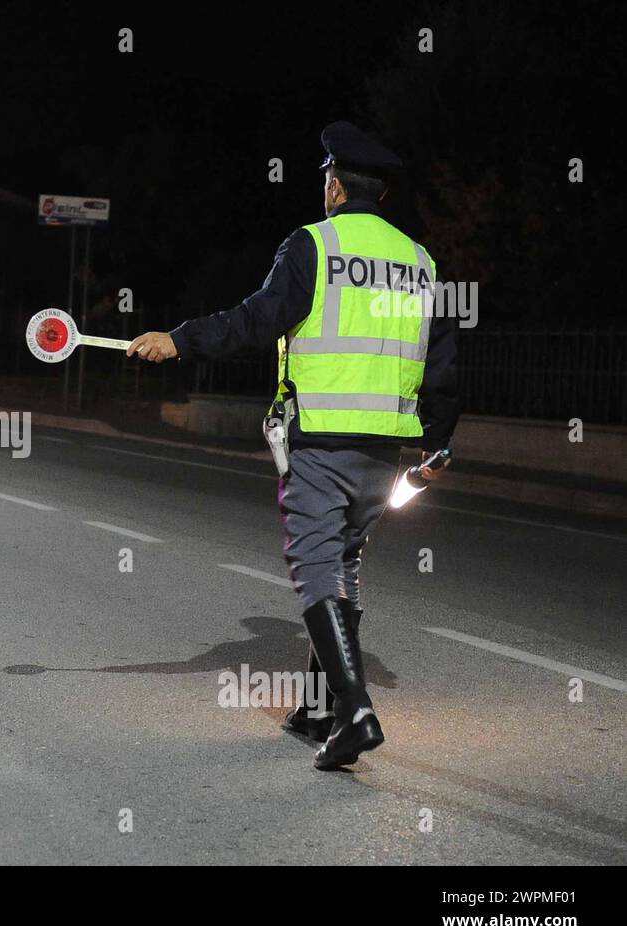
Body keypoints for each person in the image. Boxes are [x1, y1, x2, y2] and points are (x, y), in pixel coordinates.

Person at [128, 121, 459, 770]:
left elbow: (256, 319)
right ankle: (315, 707)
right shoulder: (421, 262)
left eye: (325, 182)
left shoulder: (315, 245)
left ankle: (355, 710)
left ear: (335, 186)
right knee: (345, 568)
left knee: (314, 567)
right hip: (386, 448)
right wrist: (437, 448)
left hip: (322, 443)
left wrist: (180, 338)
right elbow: (443, 366)